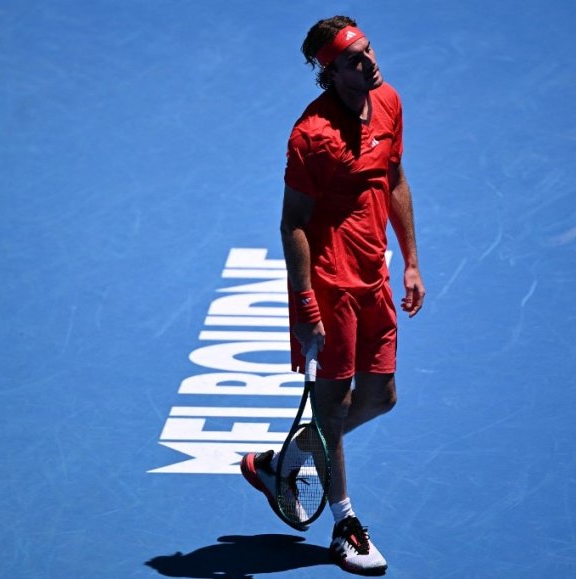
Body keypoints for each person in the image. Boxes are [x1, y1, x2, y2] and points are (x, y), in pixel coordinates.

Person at [241, 15, 425, 575]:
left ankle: (287, 460)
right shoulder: (310, 136)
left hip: (375, 277)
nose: (369, 62)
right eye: (354, 59)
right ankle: (344, 526)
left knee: (382, 397)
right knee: (334, 404)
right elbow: (292, 221)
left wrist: (411, 260)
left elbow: (393, 180)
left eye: (368, 50)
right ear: (330, 72)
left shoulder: (389, 101)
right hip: (328, 286)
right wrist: (304, 301)